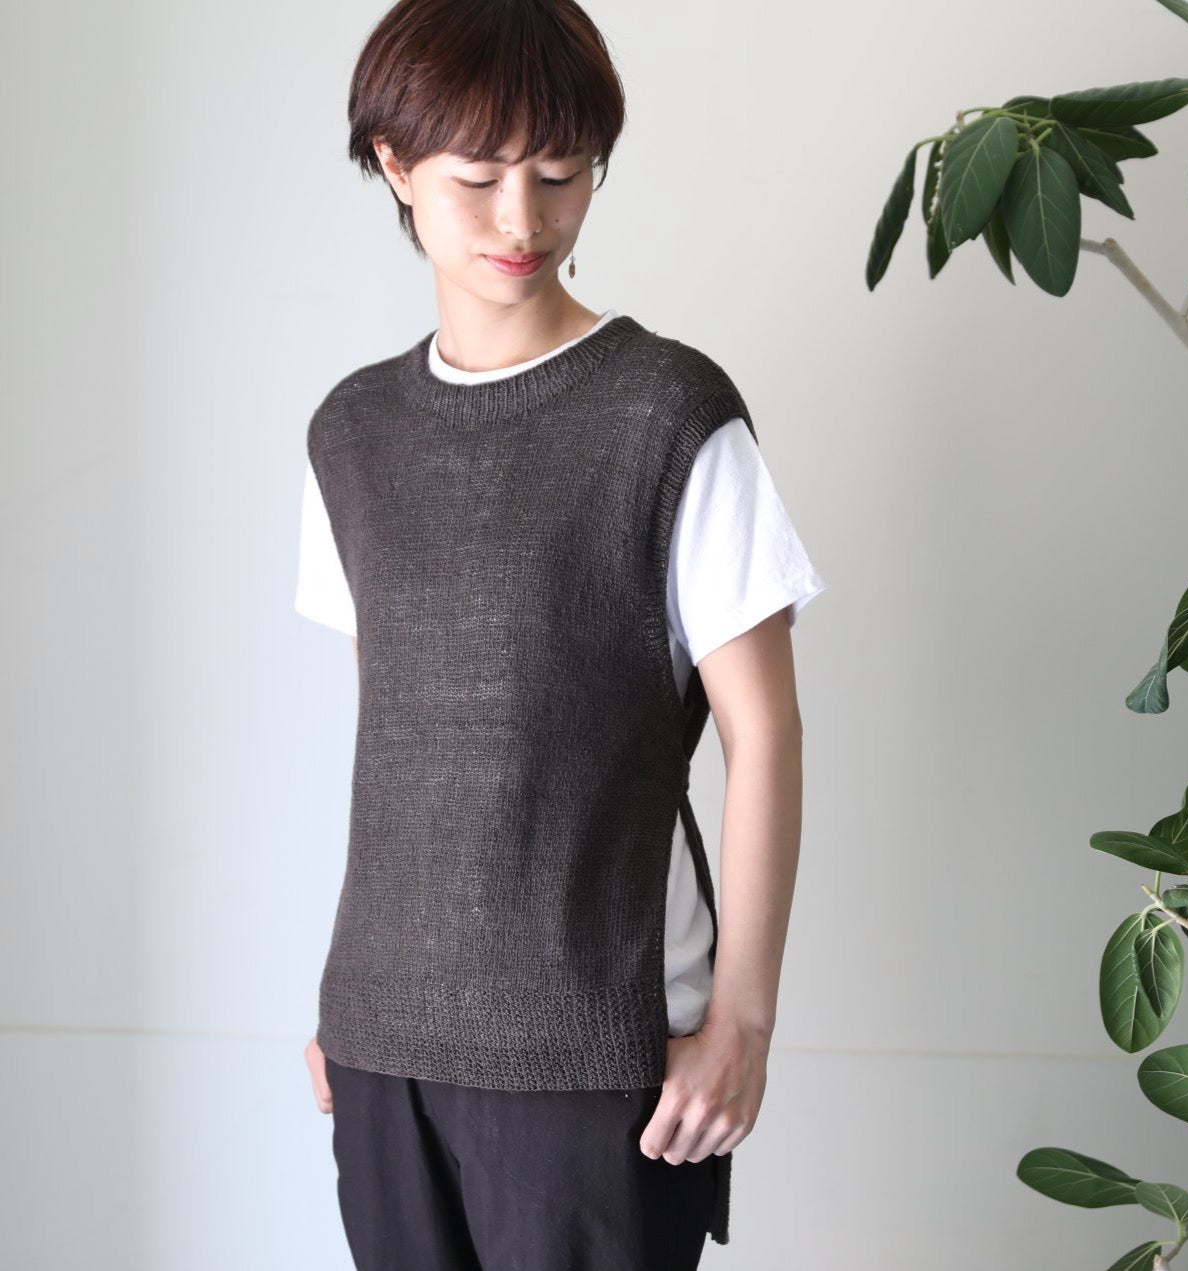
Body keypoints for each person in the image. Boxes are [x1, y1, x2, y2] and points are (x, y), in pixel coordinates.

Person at [292, 0, 827, 1266]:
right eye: (477, 179)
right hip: (381, 1044)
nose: (522, 221)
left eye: (560, 173)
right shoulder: (351, 433)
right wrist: (348, 992)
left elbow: (763, 733)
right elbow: (399, 745)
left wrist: (742, 1021)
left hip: (599, 1049)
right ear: (394, 165)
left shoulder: (667, 415)